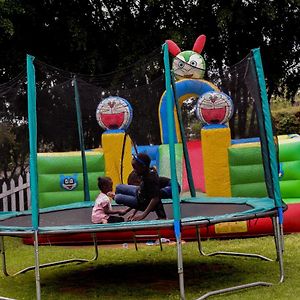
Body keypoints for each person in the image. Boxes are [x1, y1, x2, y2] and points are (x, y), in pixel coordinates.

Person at [115, 153, 167, 221]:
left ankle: (162, 217)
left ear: (143, 167)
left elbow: (155, 198)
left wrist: (143, 215)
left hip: (141, 201)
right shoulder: (146, 172)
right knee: (118, 187)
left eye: (135, 168)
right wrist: (129, 211)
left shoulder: (150, 179)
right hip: (139, 193)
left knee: (117, 198)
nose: (134, 171)